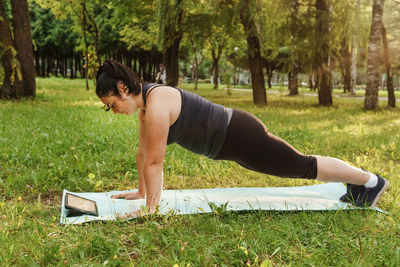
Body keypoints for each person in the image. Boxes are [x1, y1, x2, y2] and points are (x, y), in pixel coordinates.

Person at [95, 60, 389, 219]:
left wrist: (151, 209)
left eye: (111, 103)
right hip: (235, 143)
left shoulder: (157, 102)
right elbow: (144, 153)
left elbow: (156, 161)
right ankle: (359, 183)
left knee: (303, 166)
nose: (113, 110)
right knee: (301, 165)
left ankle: (370, 181)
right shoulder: (146, 106)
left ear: (123, 87)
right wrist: (140, 192)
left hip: (242, 136)